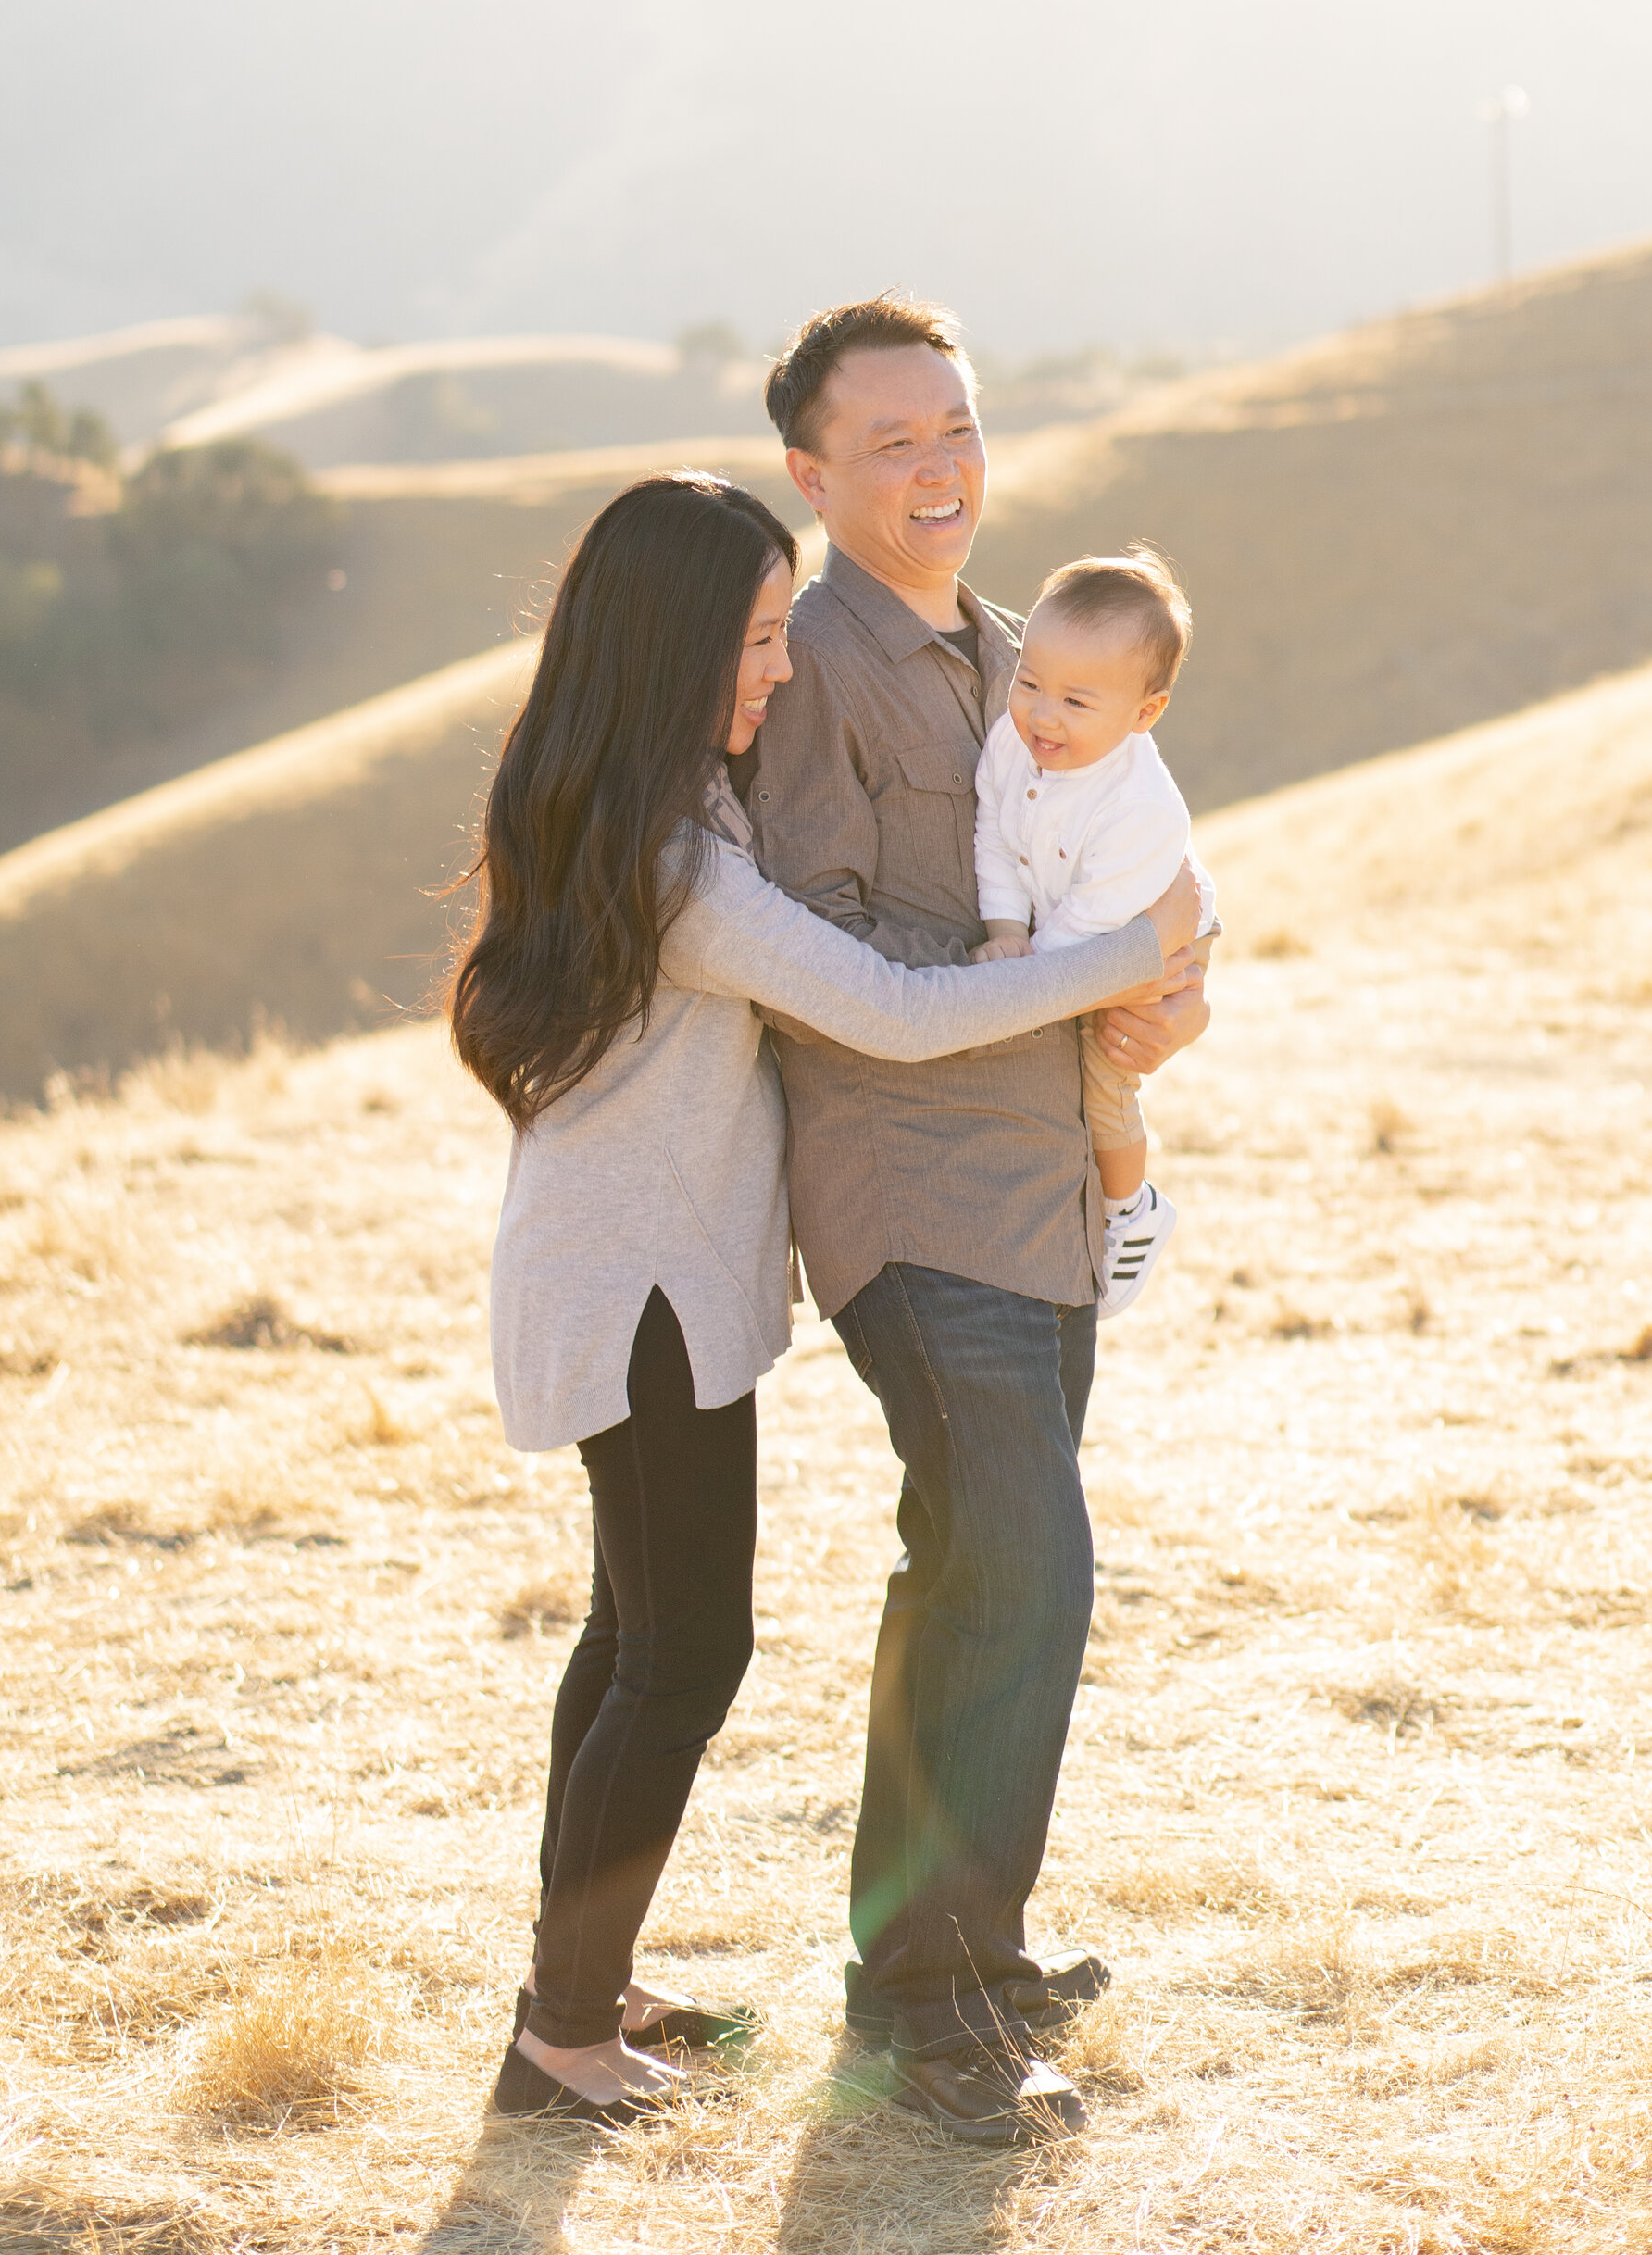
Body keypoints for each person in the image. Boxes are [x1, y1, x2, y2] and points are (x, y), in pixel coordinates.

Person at [450, 470, 1200, 2130]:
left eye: (789, 636)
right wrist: (1129, 951)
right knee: (681, 1652)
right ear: (669, 651)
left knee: (633, 1639)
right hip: (637, 1291)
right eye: (761, 641)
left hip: (634, 1283)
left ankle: (574, 1990)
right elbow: (885, 1010)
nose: (781, 673)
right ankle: (561, 2038)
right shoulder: (672, 858)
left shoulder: (642, 810)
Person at [744, 295, 1213, 2148]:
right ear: (811, 474)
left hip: (1035, 1197)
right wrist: (1085, 970)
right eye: (888, 444)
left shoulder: (1030, 653)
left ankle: (947, 1959)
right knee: (1020, 1564)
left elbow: (1140, 878)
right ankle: (934, 2011)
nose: (936, 468)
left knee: (974, 1572)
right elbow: (830, 957)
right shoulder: (815, 671)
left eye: (953, 428)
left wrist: (1171, 984)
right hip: (908, 1190)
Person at [971, 545, 1215, 1320]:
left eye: (1076, 703)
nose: (1042, 714)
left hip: (1144, 922)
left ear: (1144, 716)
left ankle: (1129, 1209)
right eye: (1029, 682)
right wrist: (1006, 929)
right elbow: (994, 833)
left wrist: (1032, 970)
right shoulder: (1015, 742)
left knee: (1107, 1065)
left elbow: (1095, 925)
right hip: (1072, 925)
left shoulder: (1140, 806)